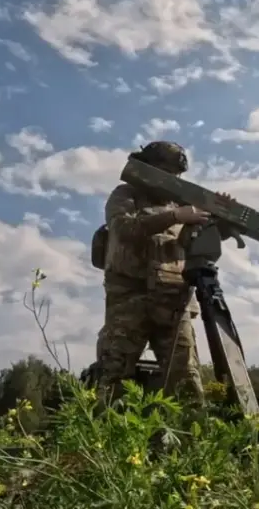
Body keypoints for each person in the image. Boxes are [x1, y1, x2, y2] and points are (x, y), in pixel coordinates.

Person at [95, 141, 231, 407]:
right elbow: (123, 229)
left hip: (174, 302)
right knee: (114, 376)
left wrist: (220, 222)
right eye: (169, 172)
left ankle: (191, 445)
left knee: (186, 382)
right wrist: (174, 215)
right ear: (150, 168)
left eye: (178, 176)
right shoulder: (126, 194)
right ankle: (104, 445)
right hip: (130, 299)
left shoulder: (186, 207)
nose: (174, 180)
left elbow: (195, 245)